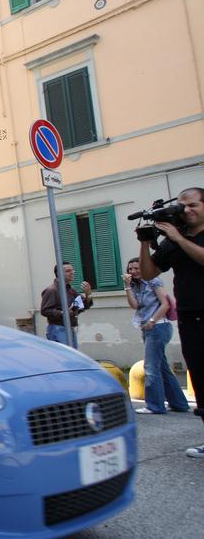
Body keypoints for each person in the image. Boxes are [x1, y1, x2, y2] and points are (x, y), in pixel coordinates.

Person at [139, 186, 204, 458]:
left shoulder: (181, 238)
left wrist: (177, 236)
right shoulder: (171, 242)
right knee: (200, 376)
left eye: (193, 205)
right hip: (191, 318)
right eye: (182, 206)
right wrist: (144, 242)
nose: (187, 211)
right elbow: (148, 272)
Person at [123, 258, 189, 414]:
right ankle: (179, 403)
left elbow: (165, 303)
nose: (133, 271)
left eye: (136, 268)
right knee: (162, 367)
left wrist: (152, 320)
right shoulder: (135, 285)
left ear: (144, 268)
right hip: (148, 328)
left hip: (159, 327)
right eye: (130, 269)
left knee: (151, 368)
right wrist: (127, 286)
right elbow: (135, 306)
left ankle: (155, 406)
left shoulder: (153, 280)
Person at [40, 262, 92, 349]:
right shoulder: (51, 290)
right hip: (57, 329)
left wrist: (88, 295)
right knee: (63, 359)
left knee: (72, 358)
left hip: (69, 328)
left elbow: (83, 305)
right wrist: (63, 312)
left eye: (72, 270)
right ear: (59, 273)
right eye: (68, 271)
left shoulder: (71, 290)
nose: (72, 272)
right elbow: (45, 311)